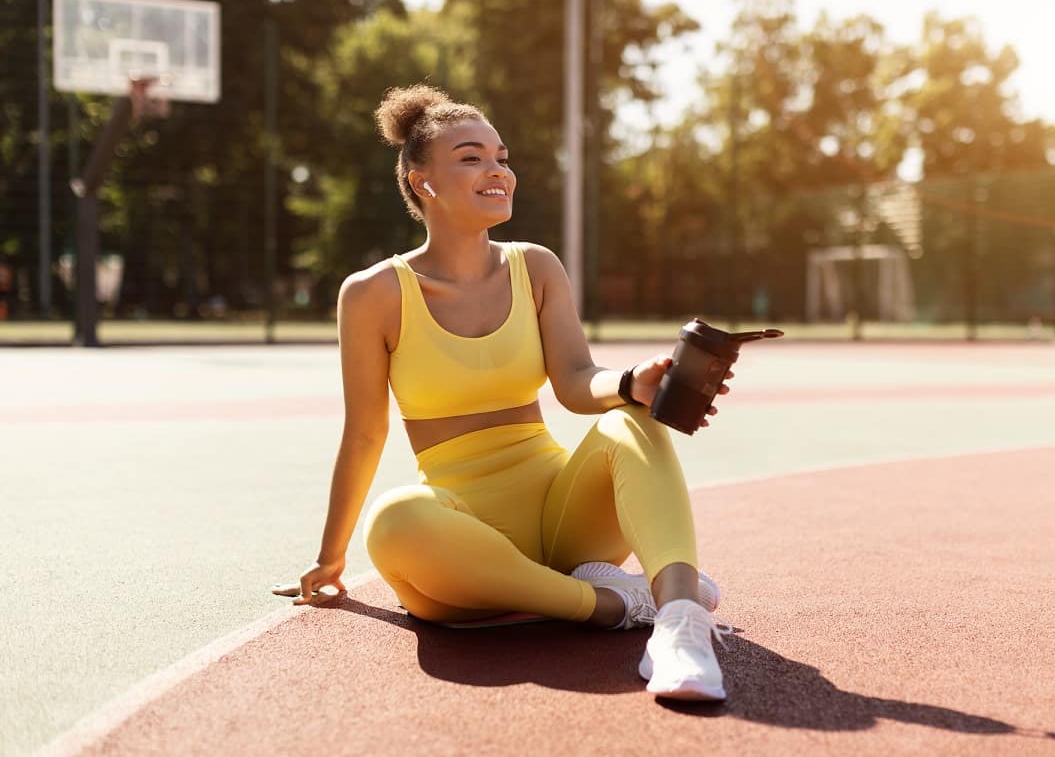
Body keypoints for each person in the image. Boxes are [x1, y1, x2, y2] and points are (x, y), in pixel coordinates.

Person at [273, 84, 733, 702]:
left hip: (567, 525)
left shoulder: (536, 266)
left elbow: (575, 382)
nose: (498, 171)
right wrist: (330, 559)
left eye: (501, 156)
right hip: (466, 550)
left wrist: (629, 384)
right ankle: (608, 603)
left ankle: (679, 626)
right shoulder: (373, 293)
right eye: (471, 157)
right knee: (393, 520)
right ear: (421, 181)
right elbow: (365, 432)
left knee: (634, 420)